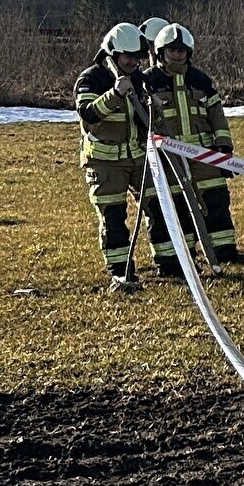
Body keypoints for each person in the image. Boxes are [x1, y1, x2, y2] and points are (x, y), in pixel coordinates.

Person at [142, 23, 239, 270]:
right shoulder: (149, 81)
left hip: (205, 156)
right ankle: (185, 256)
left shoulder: (200, 80)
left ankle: (224, 250)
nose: (178, 55)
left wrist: (224, 147)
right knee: (178, 206)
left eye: (182, 51)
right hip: (169, 158)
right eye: (172, 50)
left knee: (216, 200)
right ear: (161, 51)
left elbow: (217, 115)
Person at [72, 23, 151, 292]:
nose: (133, 62)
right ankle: (122, 274)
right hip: (104, 163)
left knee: (158, 209)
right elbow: (89, 114)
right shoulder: (90, 79)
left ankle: (170, 265)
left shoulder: (138, 78)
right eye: (128, 56)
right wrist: (115, 94)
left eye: (137, 57)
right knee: (114, 219)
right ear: (113, 53)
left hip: (138, 159)